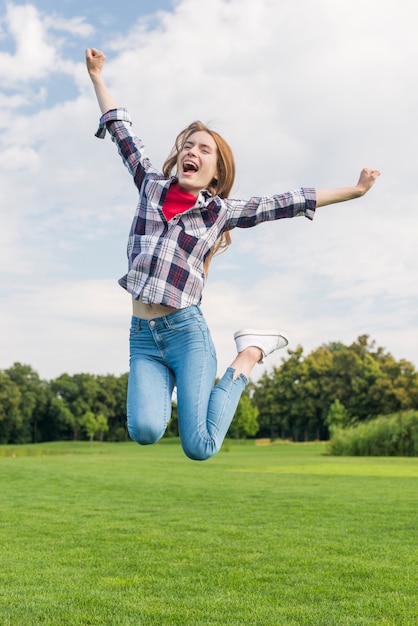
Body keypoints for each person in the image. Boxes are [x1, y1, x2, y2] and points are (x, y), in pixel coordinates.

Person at [85, 48, 380, 461]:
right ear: (179, 156)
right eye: (189, 145)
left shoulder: (219, 212)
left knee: (200, 446)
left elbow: (288, 201)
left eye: (205, 150)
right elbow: (121, 132)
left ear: (216, 173)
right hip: (143, 338)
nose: (194, 152)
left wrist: (354, 190)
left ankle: (250, 353)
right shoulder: (150, 185)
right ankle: (199, 372)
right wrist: (98, 76)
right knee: (146, 430)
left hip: (186, 334)